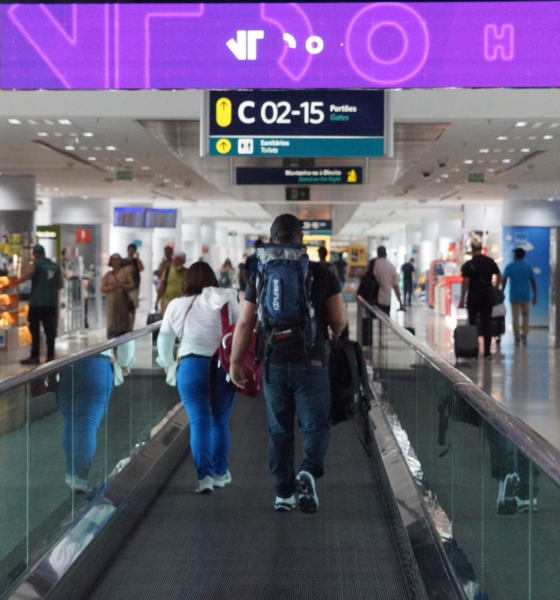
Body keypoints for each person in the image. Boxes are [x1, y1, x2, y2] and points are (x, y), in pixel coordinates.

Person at [229, 214, 347, 513]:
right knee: (315, 424)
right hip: (313, 360)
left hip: (274, 362)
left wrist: (235, 362)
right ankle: (307, 471)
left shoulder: (260, 272)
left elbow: (245, 323)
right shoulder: (322, 273)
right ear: (301, 239)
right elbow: (338, 319)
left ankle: (283, 493)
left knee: (279, 429)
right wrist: (334, 331)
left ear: (271, 240)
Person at [157, 261, 240, 494]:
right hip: (221, 367)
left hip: (191, 366)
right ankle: (220, 472)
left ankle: (204, 477)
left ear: (187, 280)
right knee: (220, 421)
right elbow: (244, 328)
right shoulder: (227, 299)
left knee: (199, 422)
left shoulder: (176, 305)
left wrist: (167, 363)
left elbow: (164, 340)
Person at [19, 244, 63, 365]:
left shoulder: (37, 264)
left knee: (35, 330)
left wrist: (15, 282)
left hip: (36, 302)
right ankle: (50, 355)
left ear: (36, 254)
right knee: (50, 330)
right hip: (51, 303)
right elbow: (61, 284)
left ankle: (35, 356)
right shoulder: (55, 266)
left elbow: (26, 276)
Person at [459, 241, 502, 360]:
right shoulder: (490, 261)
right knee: (486, 323)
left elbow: (466, 282)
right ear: (481, 249)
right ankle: (487, 353)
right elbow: (499, 276)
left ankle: (473, 350)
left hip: (473, 296)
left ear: (472, 250)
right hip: (486, 297)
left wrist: (462, 299)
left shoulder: (468, 264)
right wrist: (495, 288)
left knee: (472, 323)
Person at [501, 248, 537, 345]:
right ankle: (524, 334)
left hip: (514, 296)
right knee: (526, 316)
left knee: (515, 317)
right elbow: (533, 282)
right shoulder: (528, 267)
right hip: (526, 295)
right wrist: (535, 295)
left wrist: (502, 291)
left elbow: (504, 280)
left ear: (516, 255)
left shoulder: (510, 266)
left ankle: (517, 336)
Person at [100, 253, 136, 339]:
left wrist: (121, 285)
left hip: (123, 301)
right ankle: (112, 343)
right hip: (111, 302)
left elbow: (132, 285)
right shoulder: (108, 275)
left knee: (123, 322)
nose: (115, 262)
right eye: (113, 260)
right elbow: (102, 288)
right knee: (112, 323)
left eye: (117, 260)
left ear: (120, 261)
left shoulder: (125, 272)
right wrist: (111, 287)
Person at [372, 246, 405, 316]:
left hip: (372, 299)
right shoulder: (391, 267)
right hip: (385, 299)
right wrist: (400, 302)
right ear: (386, 254)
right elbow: (396, 287)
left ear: (377, 254)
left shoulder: (372, 264)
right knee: (385, 320)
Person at [123, 243, 144, 314]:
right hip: (124, 286)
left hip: (135, 286)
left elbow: (141, 268)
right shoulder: (123, 261)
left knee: (133, 306)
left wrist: (137, 258)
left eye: (133, 250)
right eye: (130, 250)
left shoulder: (136, 261)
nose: (131, 251)